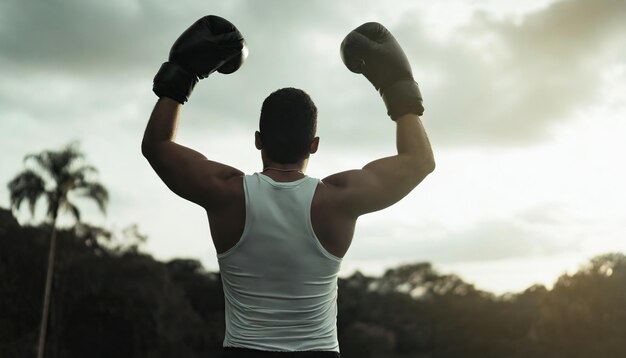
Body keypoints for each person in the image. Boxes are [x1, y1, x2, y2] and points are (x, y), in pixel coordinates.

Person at [142, 15, 435, 358]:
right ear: (314, 144)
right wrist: (398, 87)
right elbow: (419, 161)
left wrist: (183, 75)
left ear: (258, 141)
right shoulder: (339, 200)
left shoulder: (227, 194)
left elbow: (157, 146)